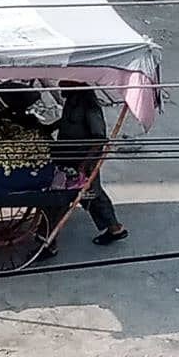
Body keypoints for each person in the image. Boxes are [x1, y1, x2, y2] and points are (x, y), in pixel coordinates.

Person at [49, 80, 128, 248]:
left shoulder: (90, 105)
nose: (60, 85)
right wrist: (49, 127)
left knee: (86, 194)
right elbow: (66, 122)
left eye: (65, 83)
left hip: (82, 161)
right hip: (66, 156)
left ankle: (50, 239)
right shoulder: (72, 99)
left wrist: (86, 164)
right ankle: (114, 227)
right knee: (90, 195)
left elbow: (99, 138)